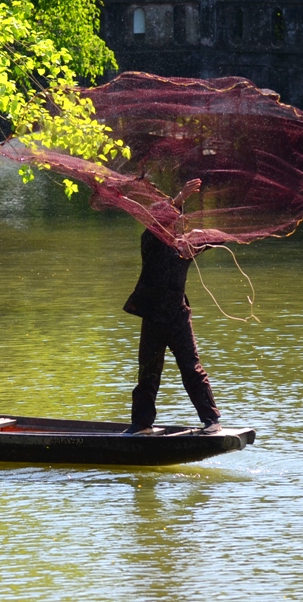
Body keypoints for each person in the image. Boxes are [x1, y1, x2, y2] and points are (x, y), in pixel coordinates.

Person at [122, 178, 222, 435]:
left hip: (178, 316)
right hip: (154, 317)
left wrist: (205, 238)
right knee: (148, 372)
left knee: (191, 368)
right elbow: (158, 223)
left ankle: (211, 421)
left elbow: (208, 240)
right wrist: (178, 198)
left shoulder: (183, 247)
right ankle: (142, 425)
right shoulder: (151, 241)